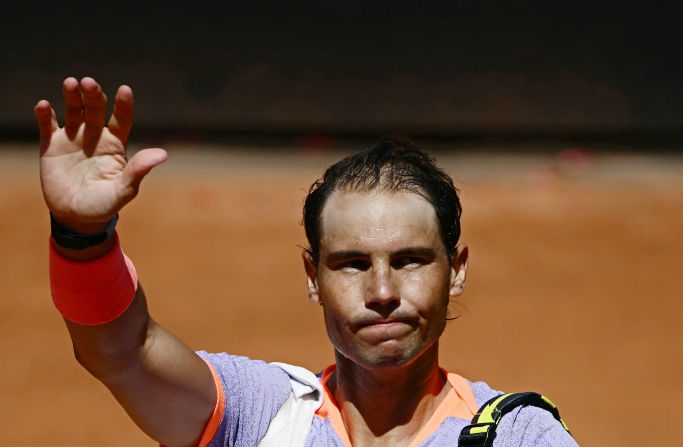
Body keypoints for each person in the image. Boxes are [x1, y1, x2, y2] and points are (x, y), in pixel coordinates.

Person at [35, 77, 578, 447]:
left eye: (410, 260)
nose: (383, 290)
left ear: (455, 270)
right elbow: (121, 351)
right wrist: (83, 236)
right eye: (351, 264)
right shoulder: (261, 417)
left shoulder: (517, 437)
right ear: (312, 277)